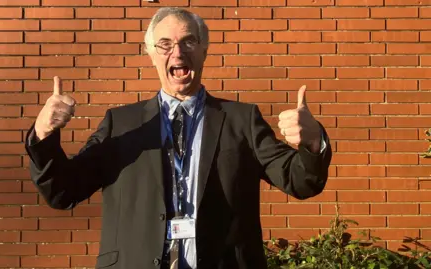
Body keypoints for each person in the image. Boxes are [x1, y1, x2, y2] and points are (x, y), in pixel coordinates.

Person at [24, 7, 332, 269]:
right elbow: (63, 191)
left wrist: (312, 141)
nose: (178, 52)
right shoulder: (121, 123)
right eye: (165, 44)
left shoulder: (242, 120)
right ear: (151, 54)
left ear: (203, 51)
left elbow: (300, 181)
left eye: (188, 41)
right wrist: (43, 134)